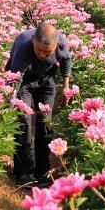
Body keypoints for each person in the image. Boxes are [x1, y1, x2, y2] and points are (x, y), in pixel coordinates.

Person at [6, 22, 72, 185]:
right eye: (39, 50)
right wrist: (10, 104)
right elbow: (15, 78)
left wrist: (66, 87)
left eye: (47, 52)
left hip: (46, 80)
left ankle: (42, 170)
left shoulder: (61, 44)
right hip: (24, 81)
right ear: (34, 40)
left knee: (45, 122)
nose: (43, 55)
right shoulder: (23, 45)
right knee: (23, 121)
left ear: (56, 45)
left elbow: (66, 63)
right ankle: (23, 171)